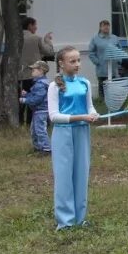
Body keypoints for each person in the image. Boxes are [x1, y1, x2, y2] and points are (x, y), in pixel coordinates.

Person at [47, 46, 98, 229]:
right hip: (63, 133)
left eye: (78, 60)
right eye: (72, 61)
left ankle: (80, 218)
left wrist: (92, 114)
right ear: (61, 63)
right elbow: (53, 116)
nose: (77, 64)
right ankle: (65, 221)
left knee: (81, 174)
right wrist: (80, 117)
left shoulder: (84, 83)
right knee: (63, 176)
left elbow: (89, 106)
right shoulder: (54, 86)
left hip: (82, 132)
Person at [21, 16, 54, 124]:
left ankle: (20, 122)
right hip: (34, 74)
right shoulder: (36, 38)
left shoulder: (15, 38)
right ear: (30, 25)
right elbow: (49, 52)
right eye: (35, 25)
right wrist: (47, 40)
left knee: (21, 100)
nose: (36, 27)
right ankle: (32, 122)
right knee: (35, 99)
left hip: (18, 74)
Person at [20, 60, 51, 154]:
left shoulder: (41, 85)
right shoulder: (39, 84)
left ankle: (46, 149)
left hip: (41, 111)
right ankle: (38, 147)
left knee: (40, 130)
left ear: (41, 71)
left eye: (34, 70)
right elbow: (35, 95)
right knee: (34, 130)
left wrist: (24, 100)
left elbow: (37, 99)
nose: (32, 71)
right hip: (37, 111)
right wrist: (27, 94)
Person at [87, 20, 122, 100]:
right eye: (104, 25)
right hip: (102, 68)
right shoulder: (95, 39)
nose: (106, 27)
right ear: (100, 27)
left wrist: (119, 61)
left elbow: (120, 50)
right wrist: (97, 62)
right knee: (103, 87)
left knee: (113, 87)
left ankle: (113, 102)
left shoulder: (114, 38)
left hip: (113, 68)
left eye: (108, 25)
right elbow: (91, 52)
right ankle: (102, 103)